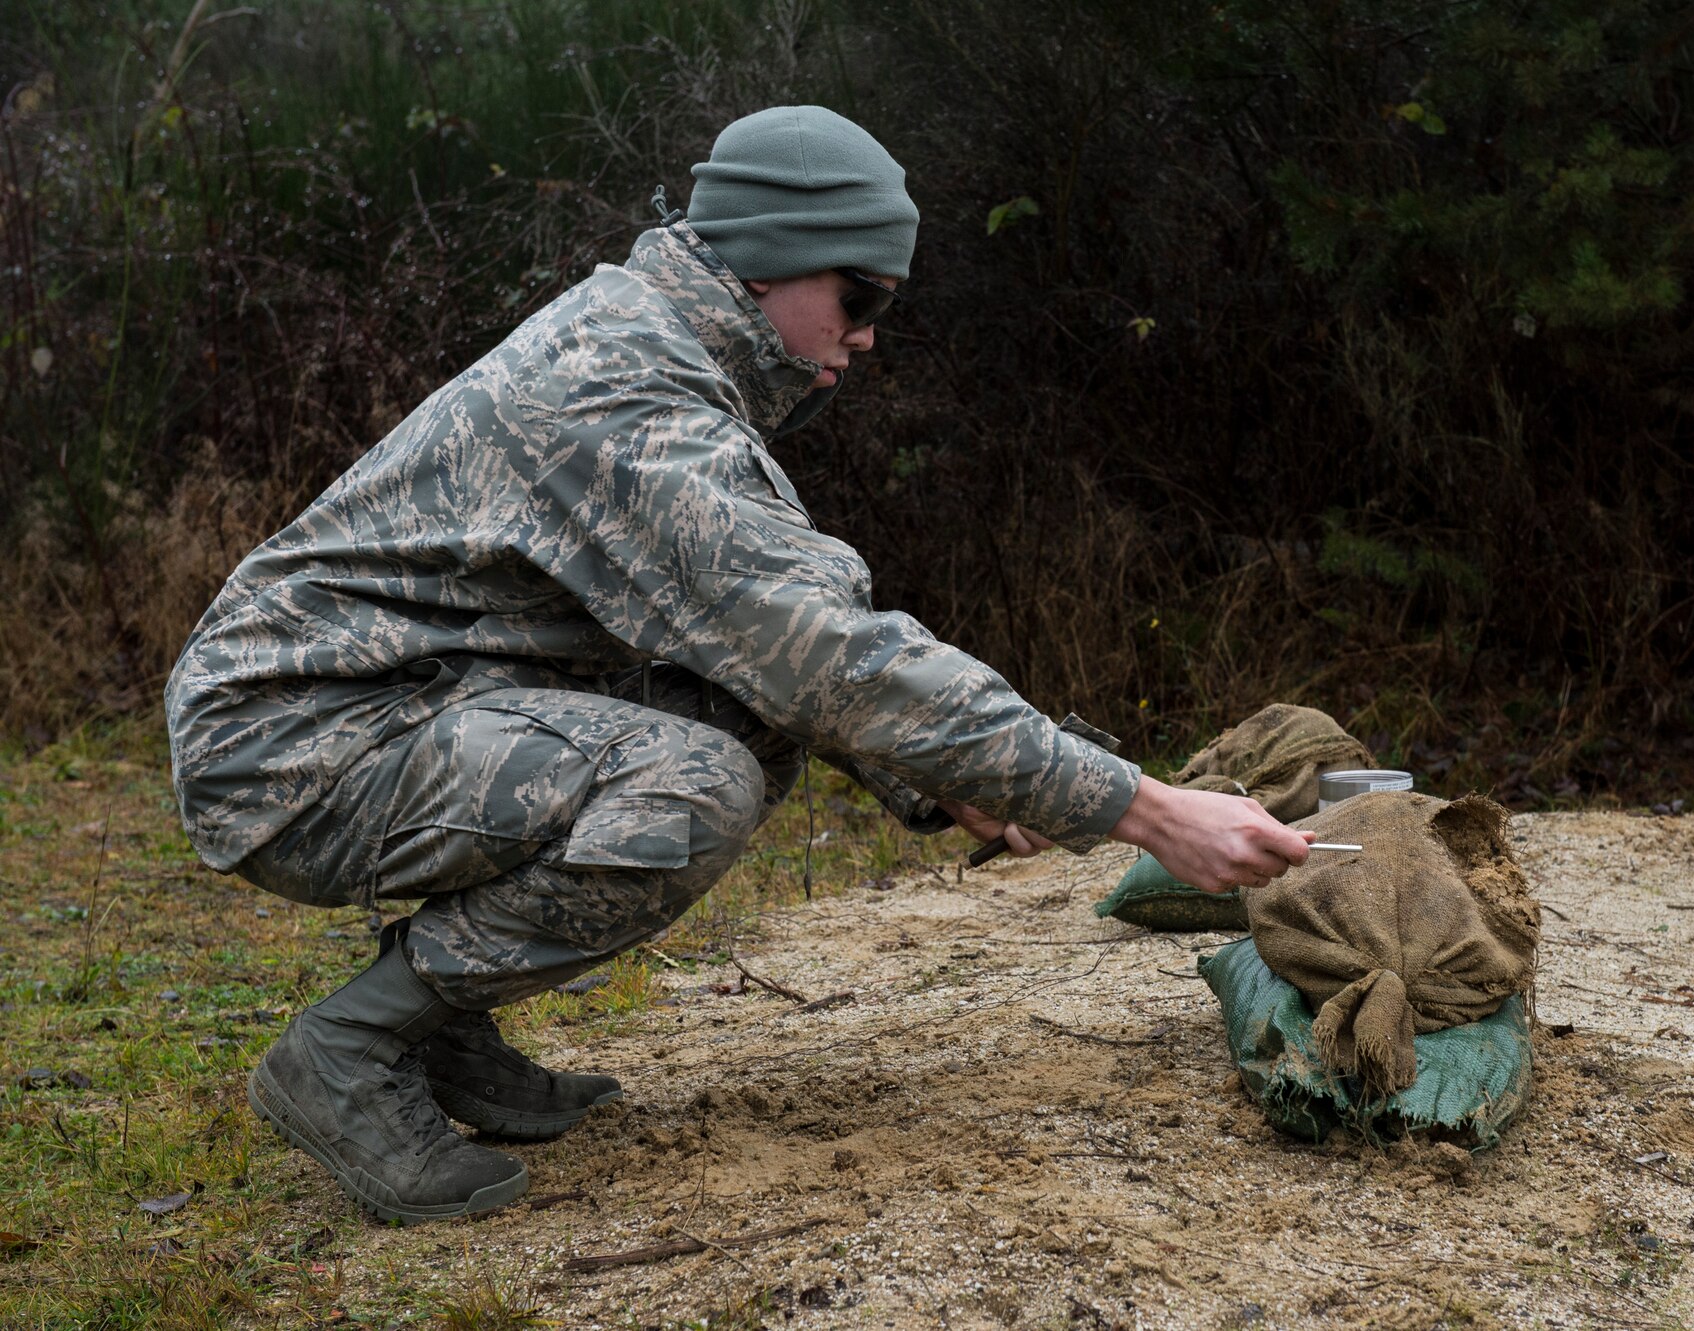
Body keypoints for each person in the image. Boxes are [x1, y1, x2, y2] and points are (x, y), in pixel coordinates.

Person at [165, 106, 1311, 1223]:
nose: (866, 336)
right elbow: (831, 657)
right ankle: (353, 1044)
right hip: (293, 740)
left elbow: (779, 636)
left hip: (411, 694)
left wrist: (940, 774)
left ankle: (443, 1024)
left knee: (742, 720)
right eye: (858, 298)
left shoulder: (662, 347)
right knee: (690, 781)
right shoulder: (631, 396)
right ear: (770, 262)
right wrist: (1147, 812)